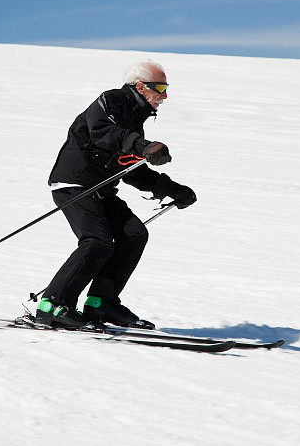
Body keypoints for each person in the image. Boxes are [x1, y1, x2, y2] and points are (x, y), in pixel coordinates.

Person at [35, 60, 197, 330]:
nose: (165, 95)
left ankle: (101, 303)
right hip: (75, 184)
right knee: (97, 242)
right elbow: (103, 133)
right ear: (141, 86)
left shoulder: (135, 118)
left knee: (133, 234)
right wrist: (144, 146)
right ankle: (52, 305)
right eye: (161, 87)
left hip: (101, 189)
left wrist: (172, 189)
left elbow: (131, 170)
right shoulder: (112, 100)